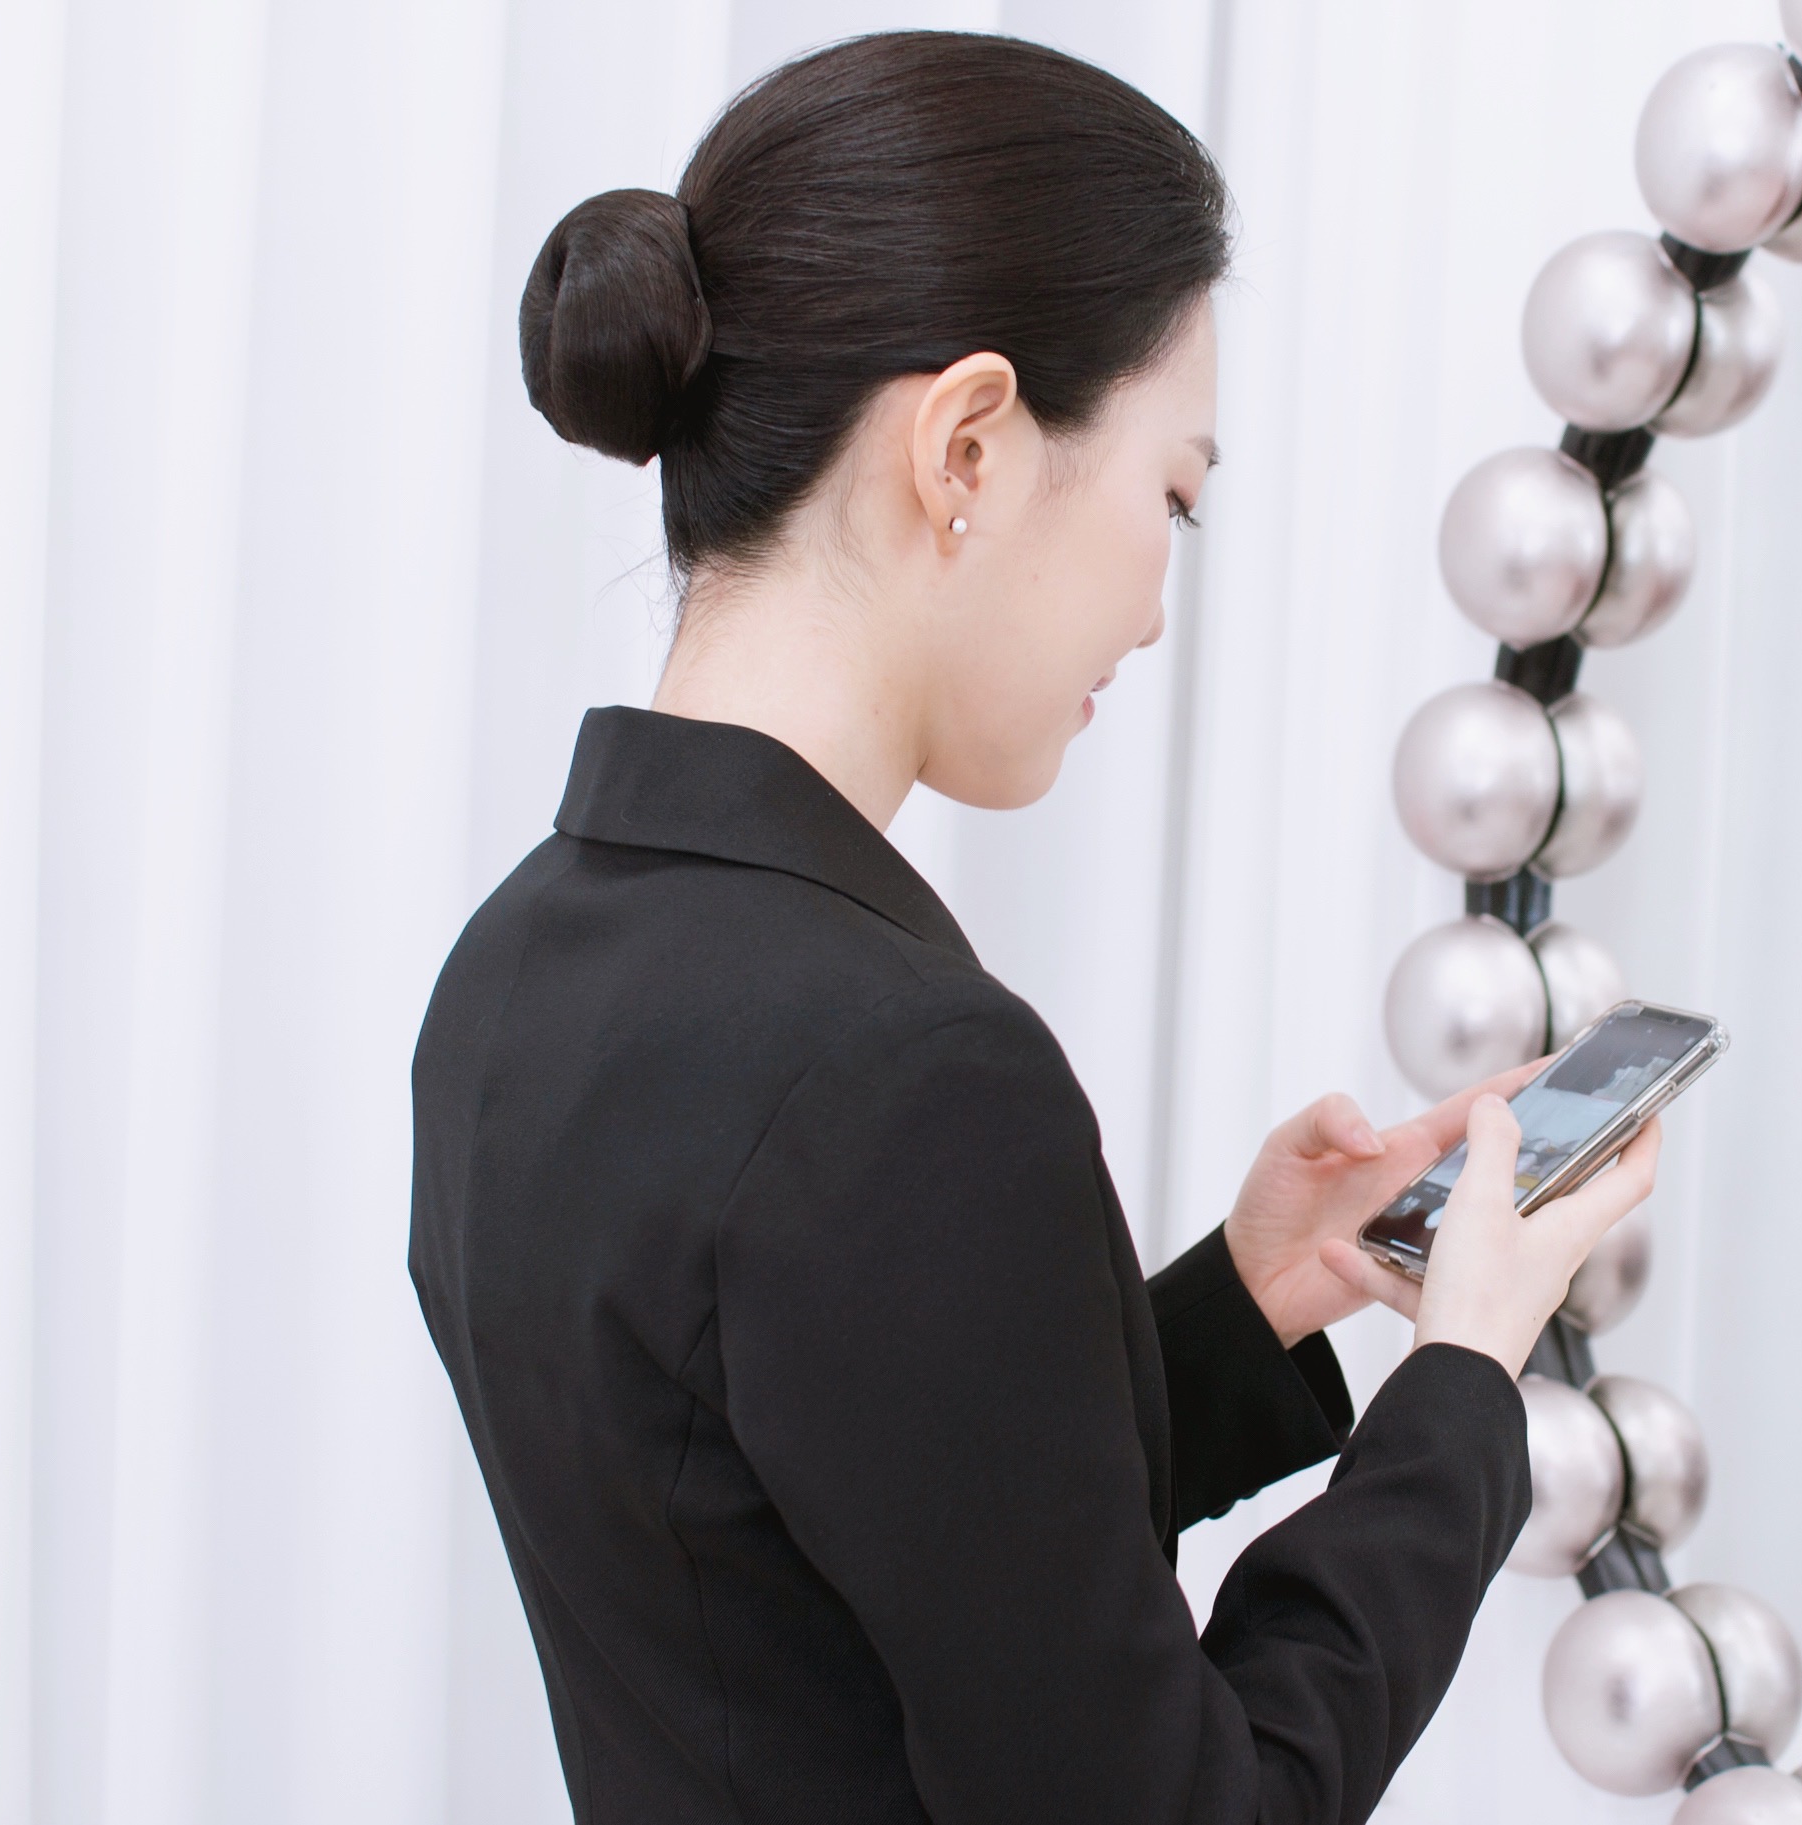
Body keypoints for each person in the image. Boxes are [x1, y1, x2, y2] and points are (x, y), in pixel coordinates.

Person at [407, 33, 1658, 1823]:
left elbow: (837, 1547)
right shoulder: (907, 1072)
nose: (1155, 603)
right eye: (1174, 495)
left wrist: (1248, 1300)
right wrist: (1461, 1380)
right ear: (968, 445)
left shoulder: (512, 970)